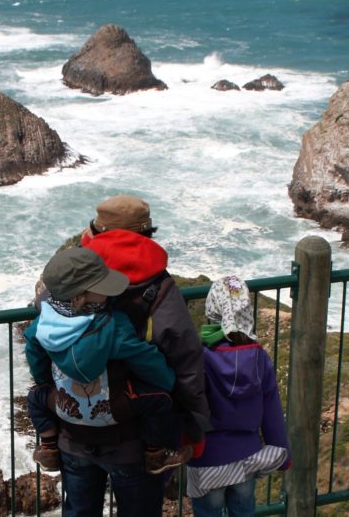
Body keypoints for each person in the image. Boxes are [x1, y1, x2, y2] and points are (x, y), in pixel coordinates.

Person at [25, 247, 192, 516]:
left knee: (79, 511)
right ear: (81, 296)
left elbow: (36, 363)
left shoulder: (41, 326)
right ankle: (155, 452)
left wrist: (48, 381)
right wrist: (167, 380)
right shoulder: (115, 328)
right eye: (102, 286)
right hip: (124, 445)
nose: (111, 291)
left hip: (72, 441)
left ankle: (48, 447)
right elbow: (153, 368)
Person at [80, 195, 212, 449]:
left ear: (96, 231)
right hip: (135, 426)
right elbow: (186, 359)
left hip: (74, 421)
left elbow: (42, 319)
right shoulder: (160, 288)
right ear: (148, 234)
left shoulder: (74, 275)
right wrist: (195, 425)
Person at [186, 275, 290, 517]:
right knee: (243, 512)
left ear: (212, 309)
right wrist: (283, 454)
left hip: (207, 460)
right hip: (248, 458)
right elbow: (272, 410)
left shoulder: (198, 356)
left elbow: (187, 407)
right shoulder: (259, 357)